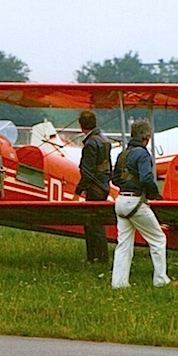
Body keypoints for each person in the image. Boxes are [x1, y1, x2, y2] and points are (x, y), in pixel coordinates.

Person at [110, 119, 178, 288]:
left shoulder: (123, 154)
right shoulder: (143, 154)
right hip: (136, 202)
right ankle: (161, 280)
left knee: (124, 244)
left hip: (120, 202)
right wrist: (154, 194)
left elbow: (115, 178)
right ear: (147, 138)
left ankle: (119, 283)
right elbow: (147, 178)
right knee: (158, 239)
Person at [74, 110, 112, 263]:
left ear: (82, 126)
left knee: (92, 225)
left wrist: (78, 191)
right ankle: (100, 258)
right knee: (97, 223)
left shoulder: (90, 143)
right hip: (103, 186)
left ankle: (96, 258)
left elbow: (87, 172)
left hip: (94, 188)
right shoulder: (104, 140)